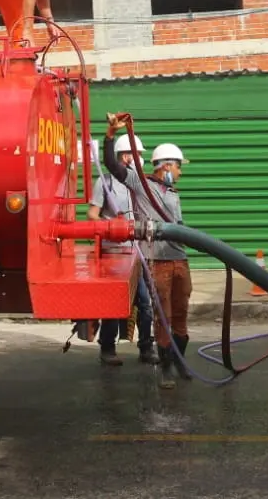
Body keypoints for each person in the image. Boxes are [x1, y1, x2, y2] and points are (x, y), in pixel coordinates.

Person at [103, 117, 191, 390]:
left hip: (180, 259)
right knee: (162, 315)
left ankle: (179, 362)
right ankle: (165, 368)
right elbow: (112, 166)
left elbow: (178, 223)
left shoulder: (172, 192)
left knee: (181, 314)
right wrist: (110, 135)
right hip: (158, 262)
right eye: (178, 168)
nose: (180, 173)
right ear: (167, 165)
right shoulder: (141, 184)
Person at [90, 134, 156, 367]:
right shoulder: (105, 182)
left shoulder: (138, 182)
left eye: (138, 155)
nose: (137, 159)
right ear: (122, 156)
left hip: (136, 252)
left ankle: (146, 347)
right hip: (114, 254)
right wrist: (111, 228)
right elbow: (92, 215)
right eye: (133, 155)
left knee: (145, 302)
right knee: (114, 302)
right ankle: (107, 348)